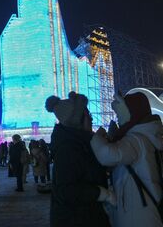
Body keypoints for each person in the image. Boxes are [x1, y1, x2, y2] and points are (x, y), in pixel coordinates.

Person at [90, 91, 163, 227]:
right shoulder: (146, 136)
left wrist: (95, 136)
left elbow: (107, 155)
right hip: (145, 208)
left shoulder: (135, 139)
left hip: (138, 213)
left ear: (132, 114)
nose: (118, 119)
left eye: (120, 114)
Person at [44, 92, 112, 227]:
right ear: (77, 121)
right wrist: (102, 193)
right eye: (88, 115)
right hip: (76, 219)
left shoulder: (79, 143)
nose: (91, 119)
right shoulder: (68, 148)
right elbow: (66, 191)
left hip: (84, 216)